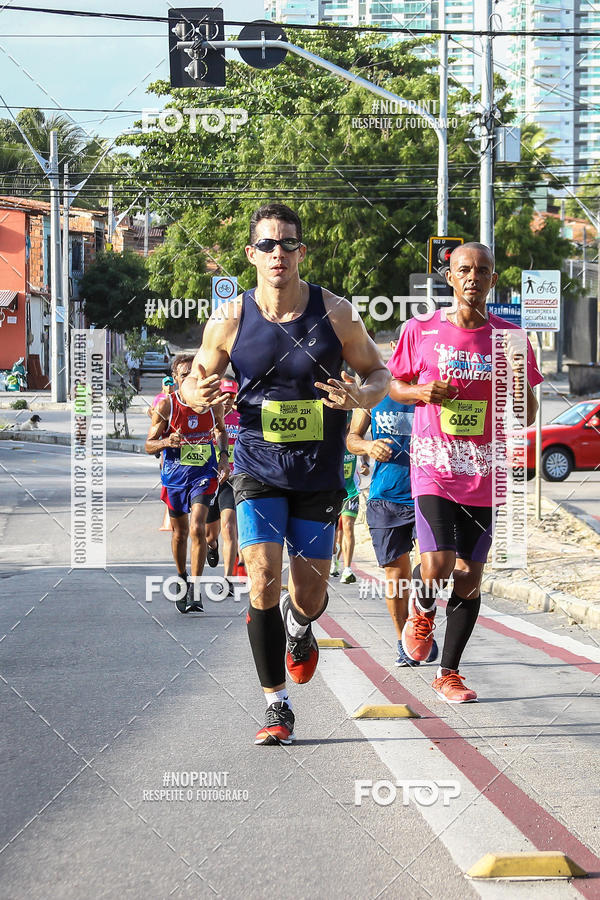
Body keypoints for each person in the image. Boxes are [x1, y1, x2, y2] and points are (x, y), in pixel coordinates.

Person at [181, 202, 390, 744]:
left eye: (288, 244)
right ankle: (277, 704)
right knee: (262, 578)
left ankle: (301, 629)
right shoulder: (230, 319)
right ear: (251, 254)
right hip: (255, 465)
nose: (279, 254)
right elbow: (195, 380)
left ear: (301, 251)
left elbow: (378, 372)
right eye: (268, 245)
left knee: (310, 596)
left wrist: (359, 394)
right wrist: (194, 392)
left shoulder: (336, 313)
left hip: (318, 470)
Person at [388, 242, 542, 702]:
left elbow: (528, 412)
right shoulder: (421, 329)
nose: (473, 277)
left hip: (486, 473)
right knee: (437, 562)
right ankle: (420, 609)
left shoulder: (512, 338)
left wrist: (516, 387)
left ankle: (448, 673)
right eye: (464, 270)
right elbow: (394, 386)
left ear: (494, 280)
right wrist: (421, 393)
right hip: (434, 465)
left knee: (470, 577)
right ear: (450, 278)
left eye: (483, 270)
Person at [347, 325, 439, 667]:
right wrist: (369, 445)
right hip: (385, 496)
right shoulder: (375, 390)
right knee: (395, 577)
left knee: (432, 568)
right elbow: (351, 438)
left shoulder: (429, 392)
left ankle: (422, 621)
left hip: (428, 493)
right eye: (407, 344)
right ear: (394, 346)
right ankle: (405, 642)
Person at [145, 353, 230, 614]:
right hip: (174, 477)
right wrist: (165, 442)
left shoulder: (212, 404)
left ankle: (195, 587)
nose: (188, 380)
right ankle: (182, 577)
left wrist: (224, 458)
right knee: (180, 533)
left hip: (203, 475)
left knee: (197, 527)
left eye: (191, 374)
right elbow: (149, 445)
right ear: (176, 379)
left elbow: (221, 430)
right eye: (183, 376)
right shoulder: (166, 407)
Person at [205, 377, 241, 594]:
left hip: (232, 480)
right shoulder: (207, 417)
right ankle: (212, 547)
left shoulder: (241, 418)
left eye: (231, 397)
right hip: (208, 479)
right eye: (223, 396)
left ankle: (228, 579)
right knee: (210, 535)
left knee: (229, 527)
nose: (227, 401)